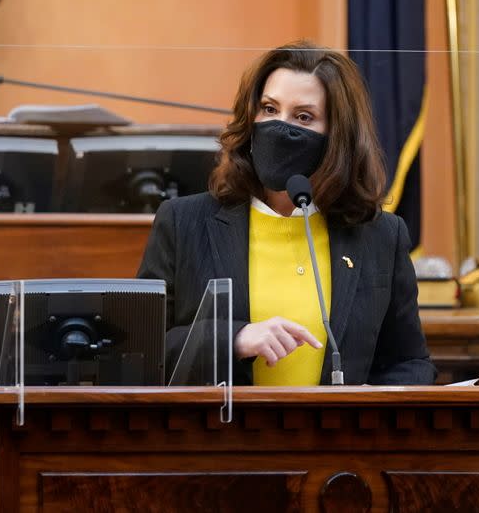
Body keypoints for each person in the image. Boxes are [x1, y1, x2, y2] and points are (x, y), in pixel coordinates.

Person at [138, 40, 436, 386]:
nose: (280, 127)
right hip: (217, 435)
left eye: (303, 116)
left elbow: (409, 362)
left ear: (337, 136)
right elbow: (142, 349)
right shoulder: (183, 222)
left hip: (335, 437)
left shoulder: (381, 235)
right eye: (269, 109)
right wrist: (232, 339)